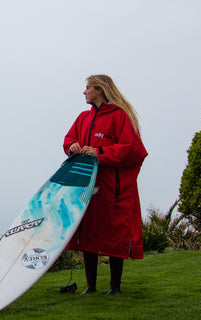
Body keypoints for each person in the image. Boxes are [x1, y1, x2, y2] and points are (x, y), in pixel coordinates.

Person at [63, 74, 148, 295]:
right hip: (88, 188)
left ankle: (115, 287)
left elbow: (130, 148)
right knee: (88, 233)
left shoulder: (120, 117)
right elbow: (68, 138)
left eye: (88, 88)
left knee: (114, 234)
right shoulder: (83, 118)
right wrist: (72, 146)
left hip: (112, 187)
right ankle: (90, 286)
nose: (84, 92)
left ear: (99, 90)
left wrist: (100, 152)